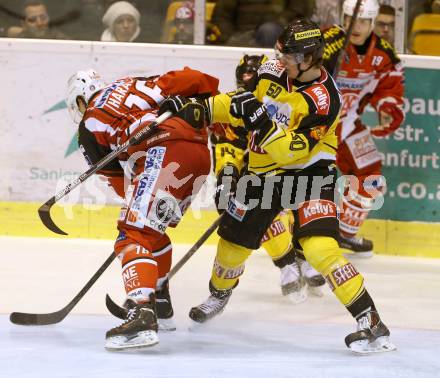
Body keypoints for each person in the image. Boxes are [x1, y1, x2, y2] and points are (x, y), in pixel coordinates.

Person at [161, 18, 395, 354]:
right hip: (261, 174)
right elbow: (238, 102)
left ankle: (370, 321)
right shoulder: (272, 68)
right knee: (232, 243)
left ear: (310, 58)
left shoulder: (324, 100)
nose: (280, 60)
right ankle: (218, 295)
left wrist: (258, 117)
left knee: (319, 249)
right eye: (280, 53)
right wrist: (196, 108)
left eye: (288, 56)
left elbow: (290, 150)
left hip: (309, 177)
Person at [66, 67, 219, 350]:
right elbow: (199, 79)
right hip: (198, 154)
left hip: (163, 152)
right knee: (151, 232)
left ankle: (141, 313)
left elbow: (120, 185)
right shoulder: (134, 84)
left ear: (79, 100)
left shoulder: (89, 125)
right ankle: (159, 304)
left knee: (132, 236)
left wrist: (135, 208)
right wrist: (210, 107)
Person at [211, 54, 326, 303]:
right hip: (255, 179)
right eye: (244, 85)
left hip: (289, 171)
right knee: (263, 210)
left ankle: (302, 257)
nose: (249, 91)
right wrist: (226, 179)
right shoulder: (235, 107)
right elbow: (226, 151)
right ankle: (287, 265)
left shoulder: (286, 104)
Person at [322, 0, 405, 257]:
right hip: (315, 127)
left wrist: (387, 111)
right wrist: (320, 60)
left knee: (371, 176)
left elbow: (389, 88)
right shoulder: (326, 39)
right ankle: (297, 231)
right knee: (307, 181)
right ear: (343, 18)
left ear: (373, 23)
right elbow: (292, 67)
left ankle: (344, 234)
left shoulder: (384, 55)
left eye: (362, 21)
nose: (355, 26)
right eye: (351, 20)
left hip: (346, 126)